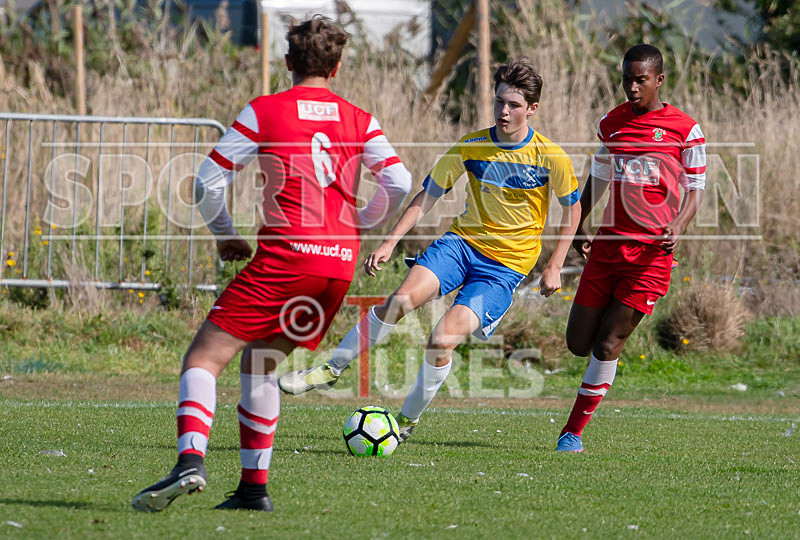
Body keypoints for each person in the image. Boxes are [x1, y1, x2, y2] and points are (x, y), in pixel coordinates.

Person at [131, 16, 412, 512]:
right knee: (259, 366)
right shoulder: (359, 119)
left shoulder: (266, 111)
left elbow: (207, 182)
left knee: (202, 360)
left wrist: (225, 237)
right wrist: (358, 224)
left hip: (287, 258)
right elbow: (400, 183)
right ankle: (252, 491)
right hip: (337, 266)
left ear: (287, 62)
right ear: (338, 65)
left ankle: (189, 461)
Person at [279, 58, 582, 441]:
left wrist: (554, 265)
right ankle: (331, 369)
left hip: (504, 267)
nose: (504, 111)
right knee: (400, 299)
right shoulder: (472, 146)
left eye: (514, 105)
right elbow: (430, 194)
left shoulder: (549, 156)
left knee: (441, 339)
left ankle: (405, 423)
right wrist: (390, 241)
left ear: (532, 109)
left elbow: (574, 209)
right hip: (461, 245)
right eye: (500, 102)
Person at [556, 44, 707, 453]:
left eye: (640, 79)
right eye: (627, 79)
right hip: (607, 249)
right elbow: (598, 179)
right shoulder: (612, 124)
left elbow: (695, 190)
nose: (632, 87)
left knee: (608, 344)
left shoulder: (684, 129)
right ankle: (598, 372)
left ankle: (572, 433)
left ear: (659, 79)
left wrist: (678, 224)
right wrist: (577, 225)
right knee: (577, 343)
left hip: (649, 258)